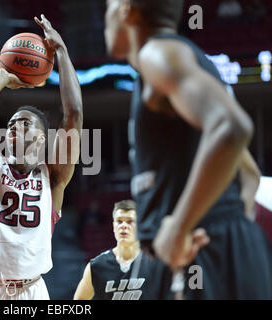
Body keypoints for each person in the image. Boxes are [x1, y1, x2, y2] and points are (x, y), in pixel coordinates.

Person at [104, 0, 271, 299]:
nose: (105, 19)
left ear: (126, 10)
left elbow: (232, 128)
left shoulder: (159, 53)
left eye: (108, 7)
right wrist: (233, 234)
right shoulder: (182, 61)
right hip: (219, 248)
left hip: (200, 249)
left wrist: (181, 226)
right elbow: (248, 175)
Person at [0, 14, 83, 300]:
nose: (14, 127)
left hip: (30, 290)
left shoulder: (53, 176)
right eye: (11, 123)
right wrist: (1, 77)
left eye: (24, 123)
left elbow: (73, 115)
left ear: (41, 137)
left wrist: (61, 51)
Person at [74, 200, 171, 300]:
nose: (123, 226)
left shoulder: (154, 263)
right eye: (119, 221)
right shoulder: (97, 266)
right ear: (113, 226)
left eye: (130, 221)